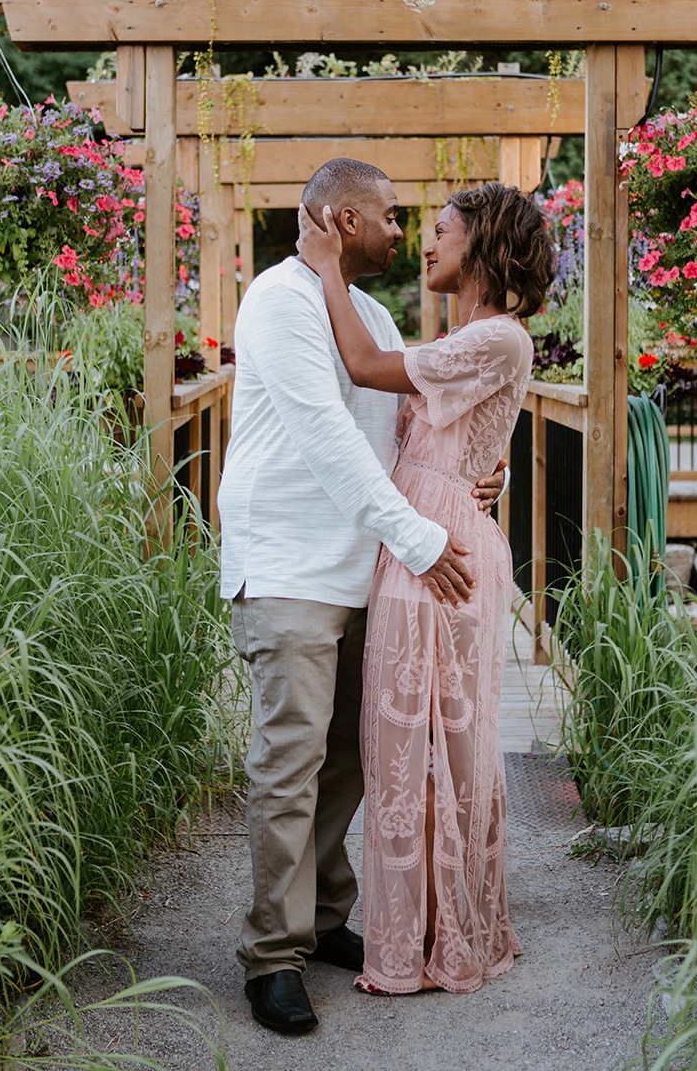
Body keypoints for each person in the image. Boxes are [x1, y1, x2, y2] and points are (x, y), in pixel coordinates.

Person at [217, 158, 508, 1036]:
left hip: (368, 571)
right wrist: (422, 539)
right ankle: (271, 956)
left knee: (349, 757)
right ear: (341, 220)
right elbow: (324, 436)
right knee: (290, 764)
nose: (402, 229)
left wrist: (468, 481)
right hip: (292, 569)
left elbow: (400, 435)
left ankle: (322, 918)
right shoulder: (278, 300)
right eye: (387, 214)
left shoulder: (369, 312)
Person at [297, 180, 555, 996]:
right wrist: (493, 468)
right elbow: (455, 436)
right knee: (409, 751)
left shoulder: (499, 339)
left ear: (480, 245)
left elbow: (367, 366)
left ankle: (443, 940)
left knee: (439, 751)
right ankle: (429, 928)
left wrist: (326, 265)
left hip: (440, 557)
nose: (425, 243)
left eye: (440, 230)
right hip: (421, 540)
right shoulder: (470, 336)